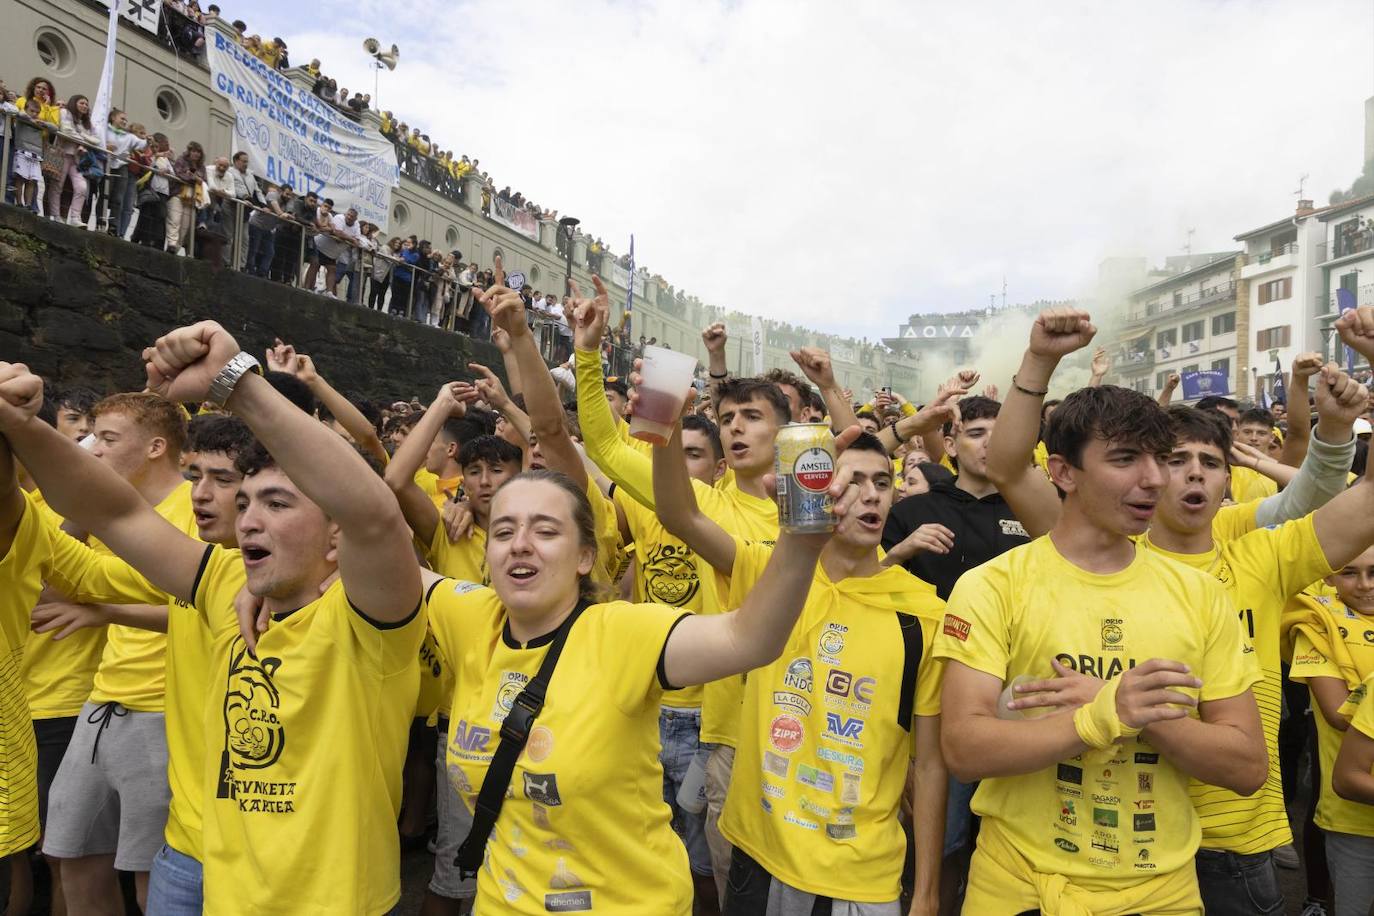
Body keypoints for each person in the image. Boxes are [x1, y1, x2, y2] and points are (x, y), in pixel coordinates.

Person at [0, 320, 426, 914]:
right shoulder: (224, 581)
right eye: (245, 502)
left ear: (337, 536)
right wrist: (15, 423)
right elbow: (114, 512)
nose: (248, 520)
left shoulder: (371, 625)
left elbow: (377, 516)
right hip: (204, 879)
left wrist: (238, 383)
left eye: (278, 504)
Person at [423, 413, 862, 915]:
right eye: (503, 532)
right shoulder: (468, 615)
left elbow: (750, 639)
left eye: (545, 531)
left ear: (586, 556)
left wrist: (801, 542)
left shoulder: (621, 631)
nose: (520, 543)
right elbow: (374, 529)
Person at [936, 377, 1268, 913]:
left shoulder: (1201, 595)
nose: (1154, 479)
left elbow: (1247, 767)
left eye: (1160, 458)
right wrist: (1101, 715)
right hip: (1022, 887)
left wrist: (1139, 713)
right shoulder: (993, 586)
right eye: (1125, 459)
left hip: (1163, 892)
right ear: (1063, 471)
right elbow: (964, 749)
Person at [655, 416, 951, 915]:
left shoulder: (924, 614)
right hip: (758, 853)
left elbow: (931, 765)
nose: (871, 496)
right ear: (818, 490)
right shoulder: (771, 577)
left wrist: (925, 893)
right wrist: (664, 428)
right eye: (851, 482)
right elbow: (680, 514)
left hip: (860, 875)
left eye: (882, 483)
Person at [1287, 546, 1374, 916]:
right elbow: (1338, 713)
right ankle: (1315, 900)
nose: (1365, 585)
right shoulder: (1316, 625)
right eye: (1349, 573)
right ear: (1329, 578)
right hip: (1351, 812)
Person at [46, 95, 100, 225]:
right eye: (82, 103)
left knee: (82, 187)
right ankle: (56, 215)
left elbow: (97, 140)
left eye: (86, 104)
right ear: (74, 102)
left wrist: (80, 136)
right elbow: (66, 130)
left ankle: (75, 218)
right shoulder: (65, 112)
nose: (85, 106)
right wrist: (85, 137)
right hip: (62, 154)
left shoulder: (87, 123)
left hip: (77, 160)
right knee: (57, 186)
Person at [165, 141, 206, 255]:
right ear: (189, 151)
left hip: (191, 199)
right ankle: (171, 244)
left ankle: (176, 248)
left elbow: (204, 181)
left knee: (185, 226)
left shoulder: (201, 167)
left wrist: (195, 178)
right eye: (194, 151)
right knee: (174, 220)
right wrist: (194, 178)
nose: (196, 154)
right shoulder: (181, 160)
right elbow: (179, 174)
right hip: (178, 194)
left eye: (198, 152)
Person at [244, 183, 292, 278]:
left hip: (268, 230)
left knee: (270, 252)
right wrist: (282, 214)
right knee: (254, 249)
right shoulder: (273, 194)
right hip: (256, 225)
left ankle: (262, 272)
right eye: (287, 194)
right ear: (281, 192)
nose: (288, 197)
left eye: (290, 195)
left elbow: (288, 215)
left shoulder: (286, 204)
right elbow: (276, 207)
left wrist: (289, 215)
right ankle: (250, 270)